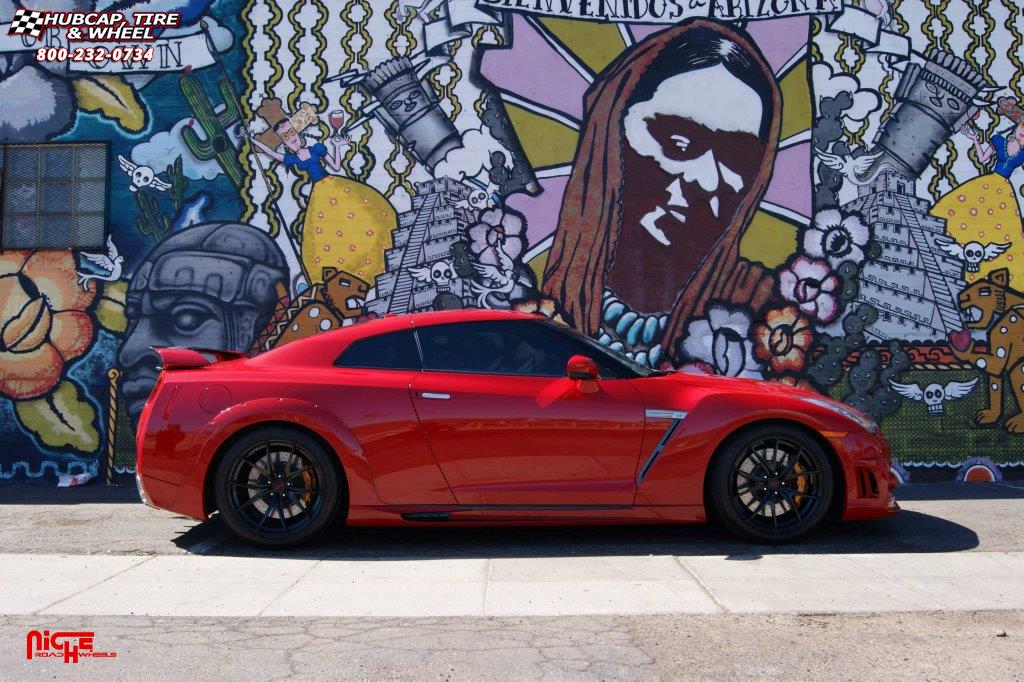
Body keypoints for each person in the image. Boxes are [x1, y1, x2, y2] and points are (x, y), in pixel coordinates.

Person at [541, 19, 781, 366]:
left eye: (735, 159)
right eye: (679, 142)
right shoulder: (536, 300)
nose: (704, 178)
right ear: (613, 140)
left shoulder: (766, 307)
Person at [249, 116, 395, 283]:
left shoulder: (316, 149)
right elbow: (272, 153)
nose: (292, 139)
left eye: (292, 133)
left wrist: (337, 147)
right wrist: (252, 139)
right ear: (284, 141)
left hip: (336, 185)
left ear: (297, 132)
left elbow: (336, 166)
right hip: (320, 194)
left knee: (360, 219)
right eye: (286, 137)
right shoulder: (294, 159)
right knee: (329, 232)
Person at [931, 96, 1024, 285]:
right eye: (1023, 127)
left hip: (1004, 192)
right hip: (985, 184)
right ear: (1018, 125)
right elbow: (982, 159)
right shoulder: (999, 140)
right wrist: (974, 138)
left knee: (1003, 231)